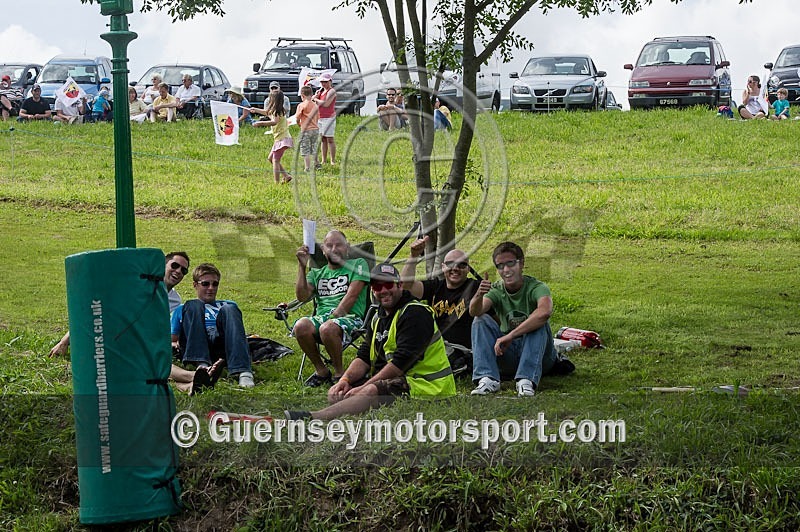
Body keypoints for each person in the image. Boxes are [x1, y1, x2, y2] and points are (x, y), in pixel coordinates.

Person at [285, 263, 456, 421]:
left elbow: (400, 363)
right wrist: (344, 380)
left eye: (388, 285)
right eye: (377, 287)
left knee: (371, 390)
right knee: (340, 391)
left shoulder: (415, 313)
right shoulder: (378, 317)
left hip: (430, 387)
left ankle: (313, 417)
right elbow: (364, 356)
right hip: (403, 378)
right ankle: (344, 402)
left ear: (399, 285)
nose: (383, 291)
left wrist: (363, 388)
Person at [49, 252, 220, 394]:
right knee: (148, 362)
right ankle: (195, 375)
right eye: (174, 266)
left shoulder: (175, 300)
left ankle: (190, 386)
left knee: (149, 367)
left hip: (136, 341)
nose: (178, 271)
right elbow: (93, 313)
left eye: (183, 270)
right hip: (111, 338)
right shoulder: (138, 287)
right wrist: (64, 342)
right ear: (163, 265)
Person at [469, 241, 558, 397]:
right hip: (508, 354)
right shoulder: (497, 289)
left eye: (511, 263)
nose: (506, 270)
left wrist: (510, 335)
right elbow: (475, 311)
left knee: (538, 323)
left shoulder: (537, 287)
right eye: (500, 266)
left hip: (539, 355)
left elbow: (544, 312)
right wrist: (479, 294)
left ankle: (526, 380)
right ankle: (487, 378)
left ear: (521, 263)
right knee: (480, 320)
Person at [293, 230, 370, 386]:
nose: (334, 249)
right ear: (323, 249)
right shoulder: (316, 273)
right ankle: (321, 371)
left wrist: (334, 317)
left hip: (350, 318)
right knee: (300, 326)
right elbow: (302, 296)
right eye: (329, 246)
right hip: (323, 319)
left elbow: (352, 295)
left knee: (327, 328)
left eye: (339, 245)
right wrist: (302, 267)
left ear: (347, 247)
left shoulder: (358, 264)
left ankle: (339, 372)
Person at [400, 235, 479, 375]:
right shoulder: (435, 286)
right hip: (435, 346)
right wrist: (413, 257)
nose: (455, 268)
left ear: (468, 269)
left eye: (462, 265)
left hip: (462, 349)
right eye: (450, 264)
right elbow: (405, 287)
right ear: (443, 267)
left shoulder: (475, 287)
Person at [170, 263, 255, 388]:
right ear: (195, 285)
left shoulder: (227, 305)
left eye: (215, 284)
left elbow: (235, 332)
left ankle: (243, 371)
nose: (211, 288)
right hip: (195, 341)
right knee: (193, 304)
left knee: (230, 308)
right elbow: (173, 339)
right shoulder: (183, 309)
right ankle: (202, 365)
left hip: (221, 345)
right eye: (205, 284)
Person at [249, 89, 294, 184]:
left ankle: (276, 182)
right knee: (271, 159)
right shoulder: (275, 111)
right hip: (280, 139)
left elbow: (274, 122)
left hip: (282, 139)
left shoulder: (277, 112)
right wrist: (255, 110)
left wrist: (260, 123)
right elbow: (267, 113)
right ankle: (286, 176)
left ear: (274, 100)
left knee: (275, 160)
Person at [313, 72, 337, 165]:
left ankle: (332, 160)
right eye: (322, 82)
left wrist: (315, 99)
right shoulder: (320, 91)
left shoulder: (331, 91)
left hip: (329, 117)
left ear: (330, 81)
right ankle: (324, 160)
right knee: (323, 139)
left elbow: (326, 104)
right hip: (320, 117)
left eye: (325, 82)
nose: (323, 84)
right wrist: (316, 96)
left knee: (330, 139)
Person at [295, 84, 320, 171]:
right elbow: (318, 117)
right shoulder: (315, 105)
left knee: (305, 149)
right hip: (315, 129)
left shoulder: (301, 105)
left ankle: (307, 167)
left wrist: (299, 124)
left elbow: (297, 117)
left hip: (305, 130)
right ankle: (317, 163)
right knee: (314, 147)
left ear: (302, 96)